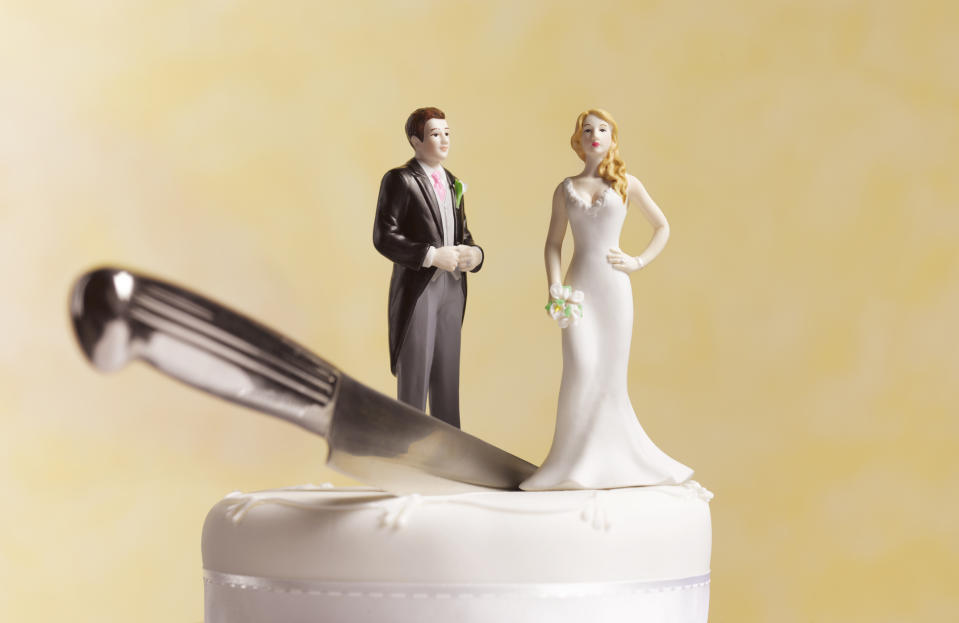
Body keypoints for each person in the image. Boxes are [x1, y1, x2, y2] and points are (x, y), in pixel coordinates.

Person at [520, 109, 693, 490]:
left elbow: (662, 226)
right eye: (587, 130)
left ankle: (607, 464)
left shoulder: (627, 184)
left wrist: (638, 261)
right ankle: (570, 464)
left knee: (609, 376)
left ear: (613, 139)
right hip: (577, 288)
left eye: (603, 129)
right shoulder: (564, 188)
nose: (594, 135)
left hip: (614, 289)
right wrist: (553, 285)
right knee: (580, 368)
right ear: (578, 141)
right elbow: (552, 243)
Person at [372, 107, 483, 429]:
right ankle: (410, 449)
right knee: (416, 370)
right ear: (415, 141)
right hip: (420, 287)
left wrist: (474, 254)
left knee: (448, 371)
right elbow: (384, 236)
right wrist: (430, 256)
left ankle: (451, 452)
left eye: (447, 133)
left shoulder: (453, 183)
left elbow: (462, 234)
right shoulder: (401, 180)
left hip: (453, 286)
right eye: (435, 134)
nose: (444, 140)